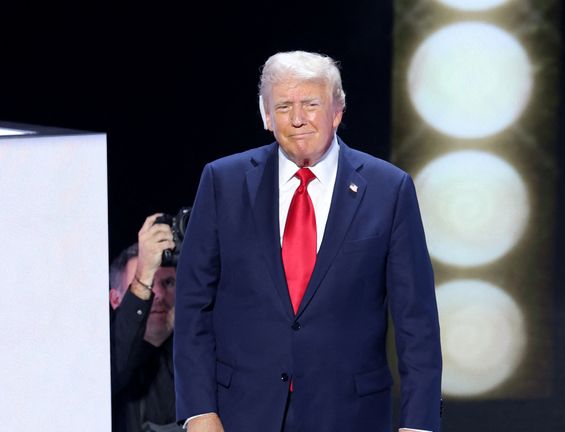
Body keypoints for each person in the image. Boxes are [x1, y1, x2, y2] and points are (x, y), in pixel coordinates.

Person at [174, 51, 442, 432]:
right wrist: (198, 409)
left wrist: (419, 423)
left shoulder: (389, 189)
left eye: (310, 104)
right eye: (283, 106)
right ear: (267, 116)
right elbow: (192, 304)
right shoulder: (223, 183)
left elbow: (417, 319)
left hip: (350, 415)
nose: (297, 119)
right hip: (241, 415)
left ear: (337, 111)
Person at [110, 214, 182, 432]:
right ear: (115, 299)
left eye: (168, 282)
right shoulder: (98, 363)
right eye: (147, 284)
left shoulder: (203, 356)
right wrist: (145, 271)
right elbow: (116, 362)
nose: (158, 295)